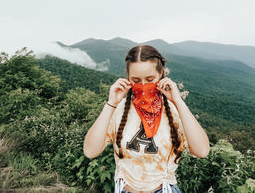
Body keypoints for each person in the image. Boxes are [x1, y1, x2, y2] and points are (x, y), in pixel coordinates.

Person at [83, 45, 210, 193]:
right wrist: (111, 103)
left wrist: (178, 102)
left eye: (150, 79)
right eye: (136, 80)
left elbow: (201, 151)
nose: (143, 86)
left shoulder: (174, 111)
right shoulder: (120, 109)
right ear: (128, 78)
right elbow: (90, 151)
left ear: (161, 74)